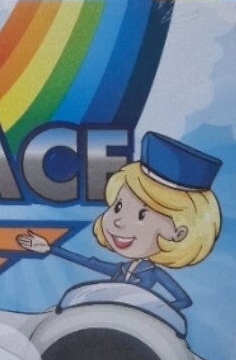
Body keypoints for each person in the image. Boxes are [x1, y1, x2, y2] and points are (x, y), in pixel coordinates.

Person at [16, 131, 221, 312]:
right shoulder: (122, 268)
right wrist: (50, 248)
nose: (118, 222)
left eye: (141, 215)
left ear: (178, 233)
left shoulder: (154, 273)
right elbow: (88, 262)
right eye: (118, 207)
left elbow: (184, 300)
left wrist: (152, 308)